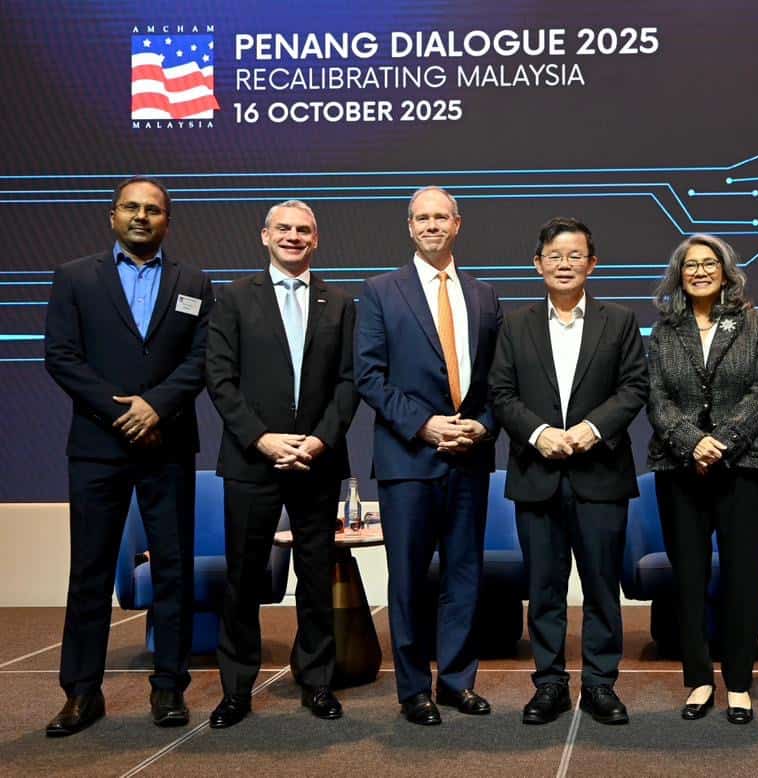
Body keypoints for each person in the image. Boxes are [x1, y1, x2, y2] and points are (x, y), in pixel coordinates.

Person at [43, 176, 212, 735]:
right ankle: (81, 693)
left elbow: (201, 359)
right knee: (89, 571)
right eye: (131, 208)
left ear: (168, 221)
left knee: (172, 568)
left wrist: (154, 408)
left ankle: (169, 688)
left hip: (167, 445)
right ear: (112, 216)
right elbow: (61, 356)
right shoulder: (74, 277)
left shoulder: (194, 282)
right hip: (98, 446)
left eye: (153, 210)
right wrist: (122, 412)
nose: (142, 216)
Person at [205, 199, 359, 728]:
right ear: (265, 236)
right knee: (243, 578)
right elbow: (219, 379)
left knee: (316, 578)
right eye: (284, 228)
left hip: (316, 461)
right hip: (253, 461)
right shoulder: (233, 298)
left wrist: (318, 440)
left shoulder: (340, 303)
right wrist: (262, 439)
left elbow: (349, 382)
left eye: (304, 230)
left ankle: (317, 682)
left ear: (315, 240)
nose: (294, 236)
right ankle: (236, 689)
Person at [490, 217, 648, 726]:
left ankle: (600, 684)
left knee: (602, 587)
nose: (564, 264)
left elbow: (634, 387)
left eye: (575, 255)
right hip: (536, 474)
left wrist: (591, 429)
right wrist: (539, 433)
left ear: (592, 264)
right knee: (544, 589)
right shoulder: (515, 325)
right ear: (537, 264)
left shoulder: (619, 321)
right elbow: (501, 393)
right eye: (554, 256)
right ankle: (550, 684)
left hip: (600, 475)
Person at [355, 186, 502, 726]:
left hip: (469, 456)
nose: (432, 225)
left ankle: (458, 682)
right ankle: (414, 689)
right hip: (408, 458)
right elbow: (368, 375)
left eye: (442, 217)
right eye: (423, 217)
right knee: (409, 580)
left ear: (457, 224)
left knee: (464, 576)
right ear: (410, 226)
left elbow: (499, 379)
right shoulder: (379, 291)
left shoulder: (484, 294)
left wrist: (482, 427)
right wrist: (424, 424)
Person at [645, 235, 758, 725]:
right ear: (679, 275)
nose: (700, 271)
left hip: (745, 468)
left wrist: (719, 442)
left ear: (726, 272)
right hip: (680, 470)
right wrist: (691, 443)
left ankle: (739, 684)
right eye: (690, 265)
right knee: (689, 579)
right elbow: (656, 397)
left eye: (709, 264)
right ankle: (699, 679)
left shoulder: (754, 323)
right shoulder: (665, 330)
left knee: (743, 578)